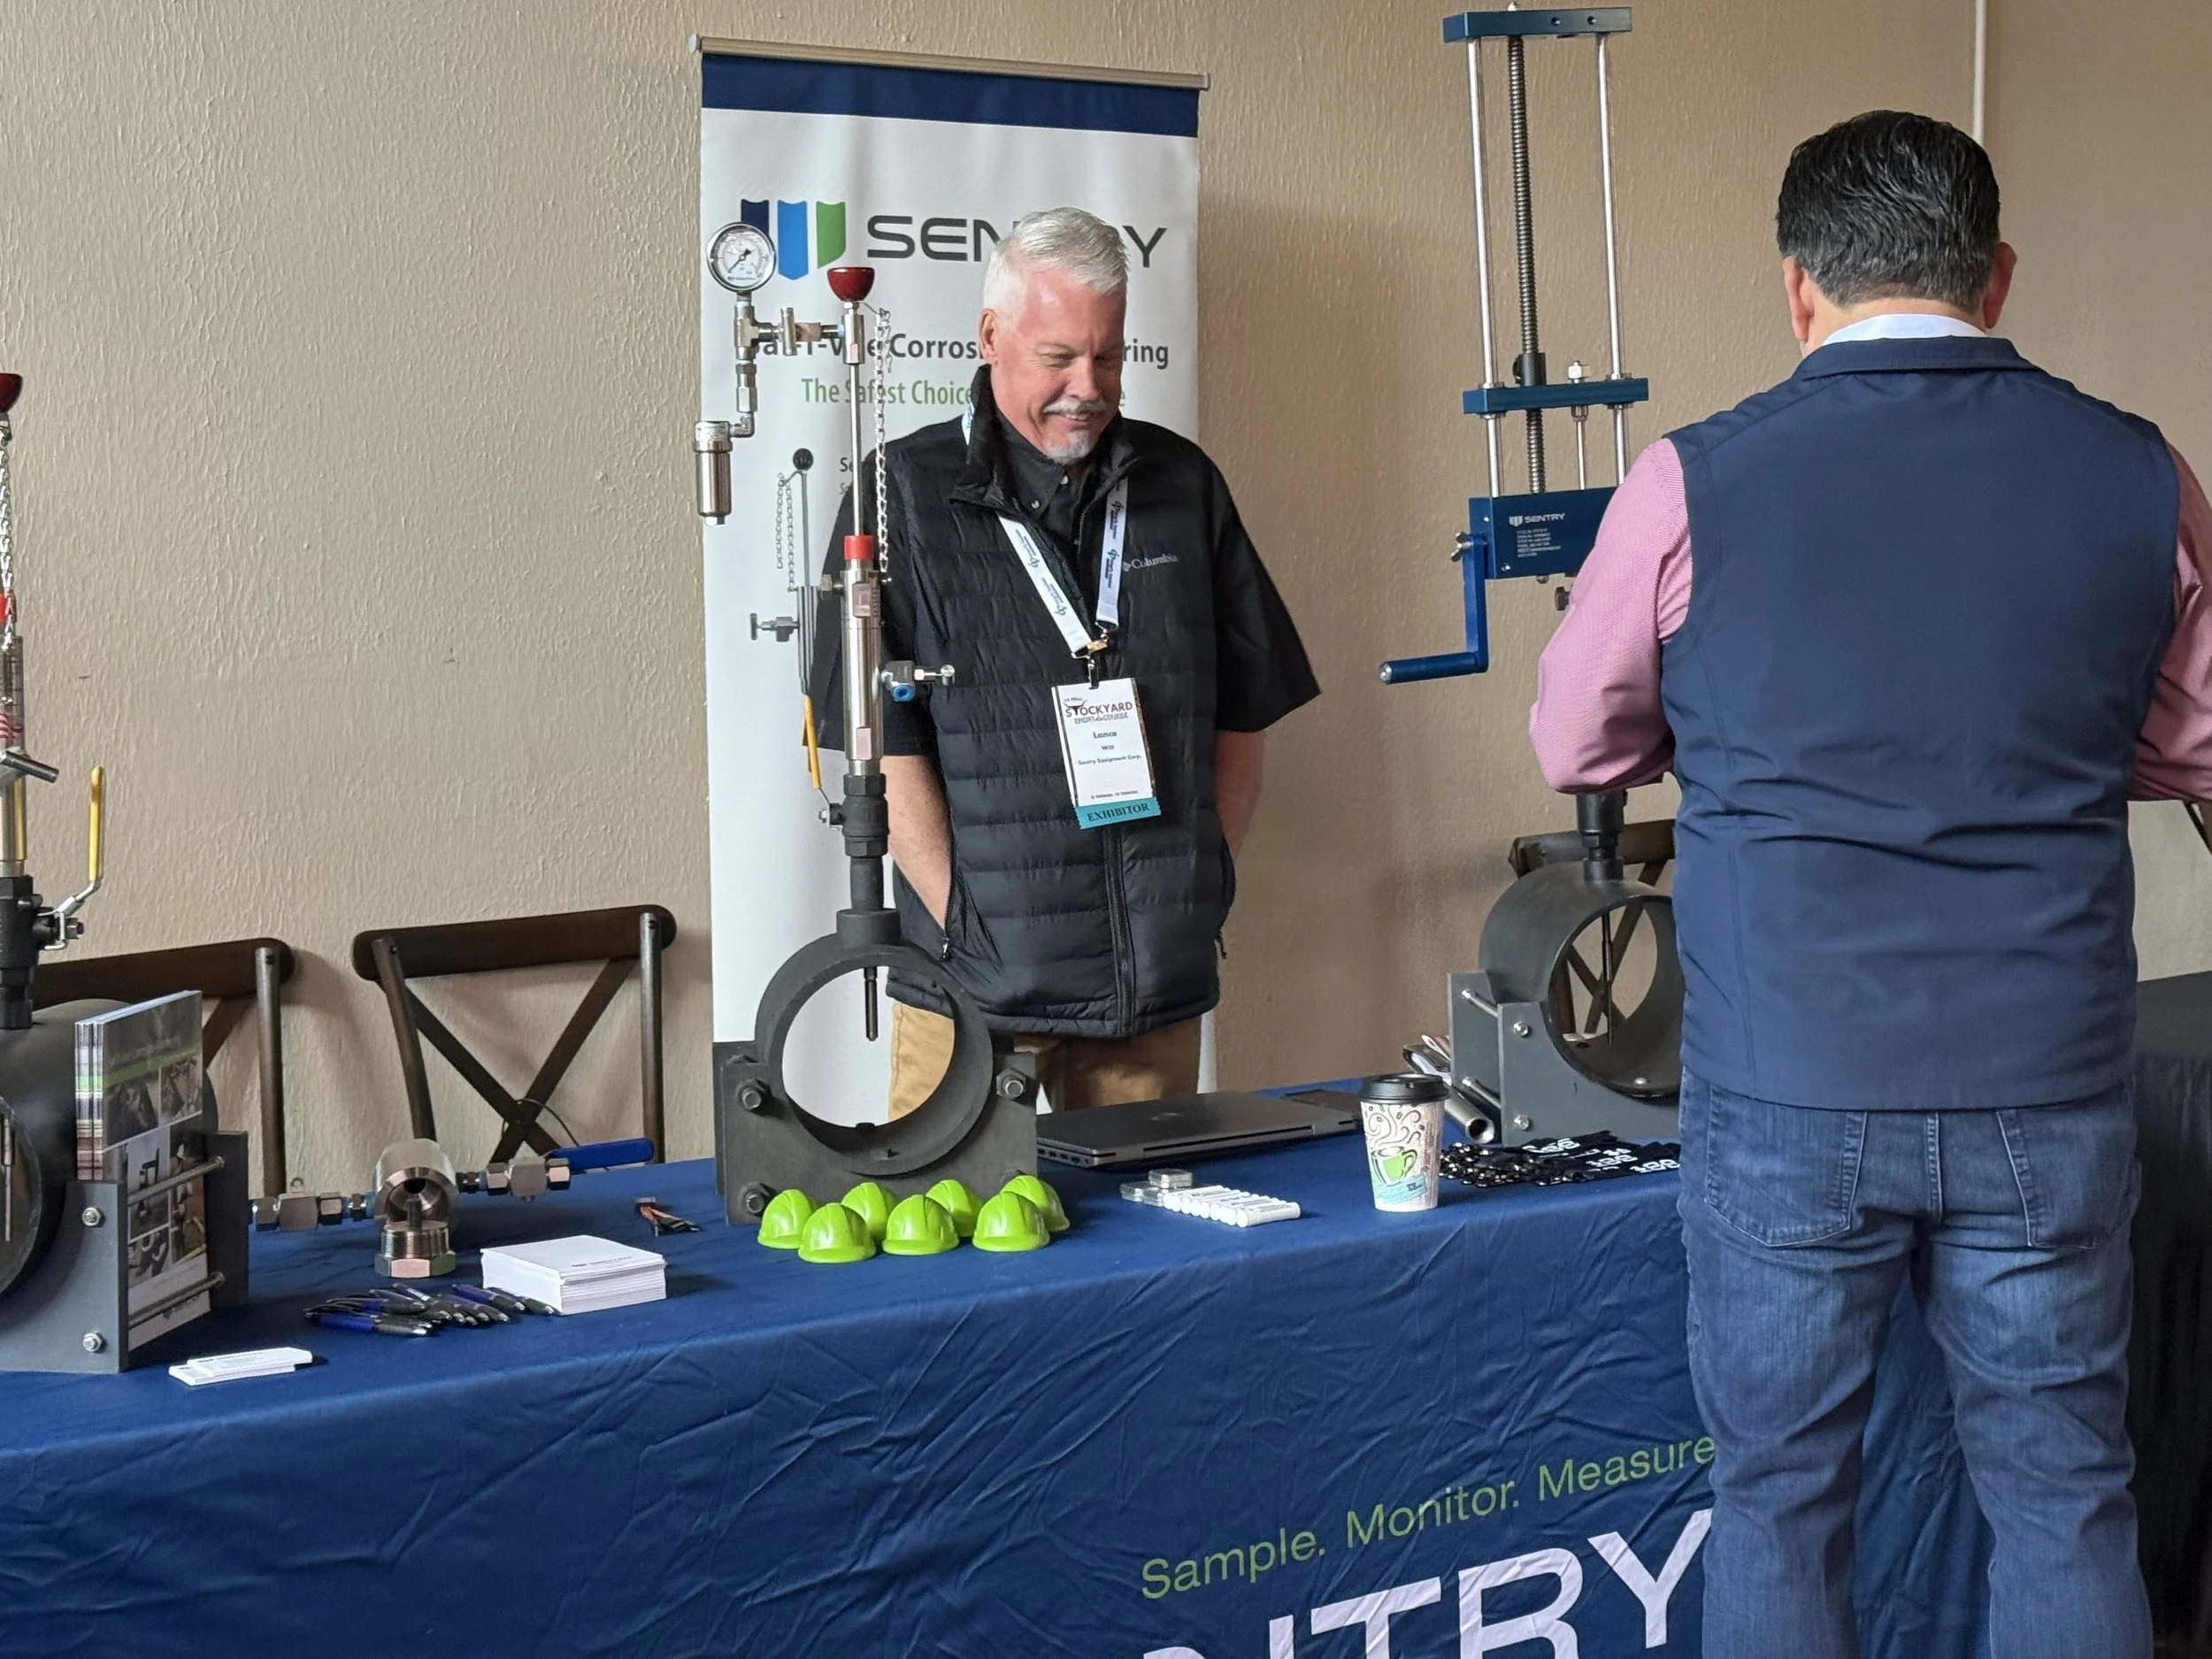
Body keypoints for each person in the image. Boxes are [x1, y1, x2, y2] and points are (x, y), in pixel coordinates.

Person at [1531, 111, 2212, 1658]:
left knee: (1779, 1499)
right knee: (2064, 1496)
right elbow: (2195, 737)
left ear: (1798, 289)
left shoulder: (1691, 481)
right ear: (1997, 275)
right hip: (2046, 1079)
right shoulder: (2138, 470)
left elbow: (1579, 741)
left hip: (1790, 1087)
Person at [810, 207, 1317, 1115]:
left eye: (1109, 356)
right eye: (1059, 358)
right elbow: (882, 745)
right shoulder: (897, 499)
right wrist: (967, 921)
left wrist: (1204, 883)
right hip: (972, 993)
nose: (1088, 386)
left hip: (1148, 992)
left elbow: (1245, 709)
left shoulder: (1183, 487)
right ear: (991, 335)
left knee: (1146, 1243)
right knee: (950, 1234)